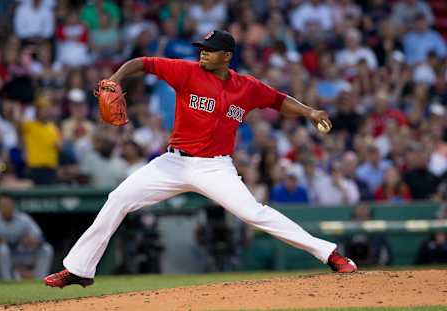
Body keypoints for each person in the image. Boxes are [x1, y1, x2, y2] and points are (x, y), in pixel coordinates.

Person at [44, 30, 357, 288]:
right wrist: (115, 78)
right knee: (118, 198)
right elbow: (143, 62)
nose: (203, 54)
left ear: (227, 56)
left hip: (215, 166)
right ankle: (79, 269)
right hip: (173, 163)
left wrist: (311, 112)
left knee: (254, 214)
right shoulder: (187, 72)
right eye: (202, 49)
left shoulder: (246, 87)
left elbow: (278, 100)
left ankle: (329, 254)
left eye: (210, 50)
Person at [0, 193, 53, 280]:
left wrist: (34, 241)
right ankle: (6, 281)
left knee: (46, 248)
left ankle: (40, 280)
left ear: (13, 205)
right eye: (2, 205)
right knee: (3, 249)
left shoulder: (23, 219)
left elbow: (41, 238)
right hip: (9, 256)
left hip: (24, 253)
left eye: (7, 205)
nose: (5, 208)